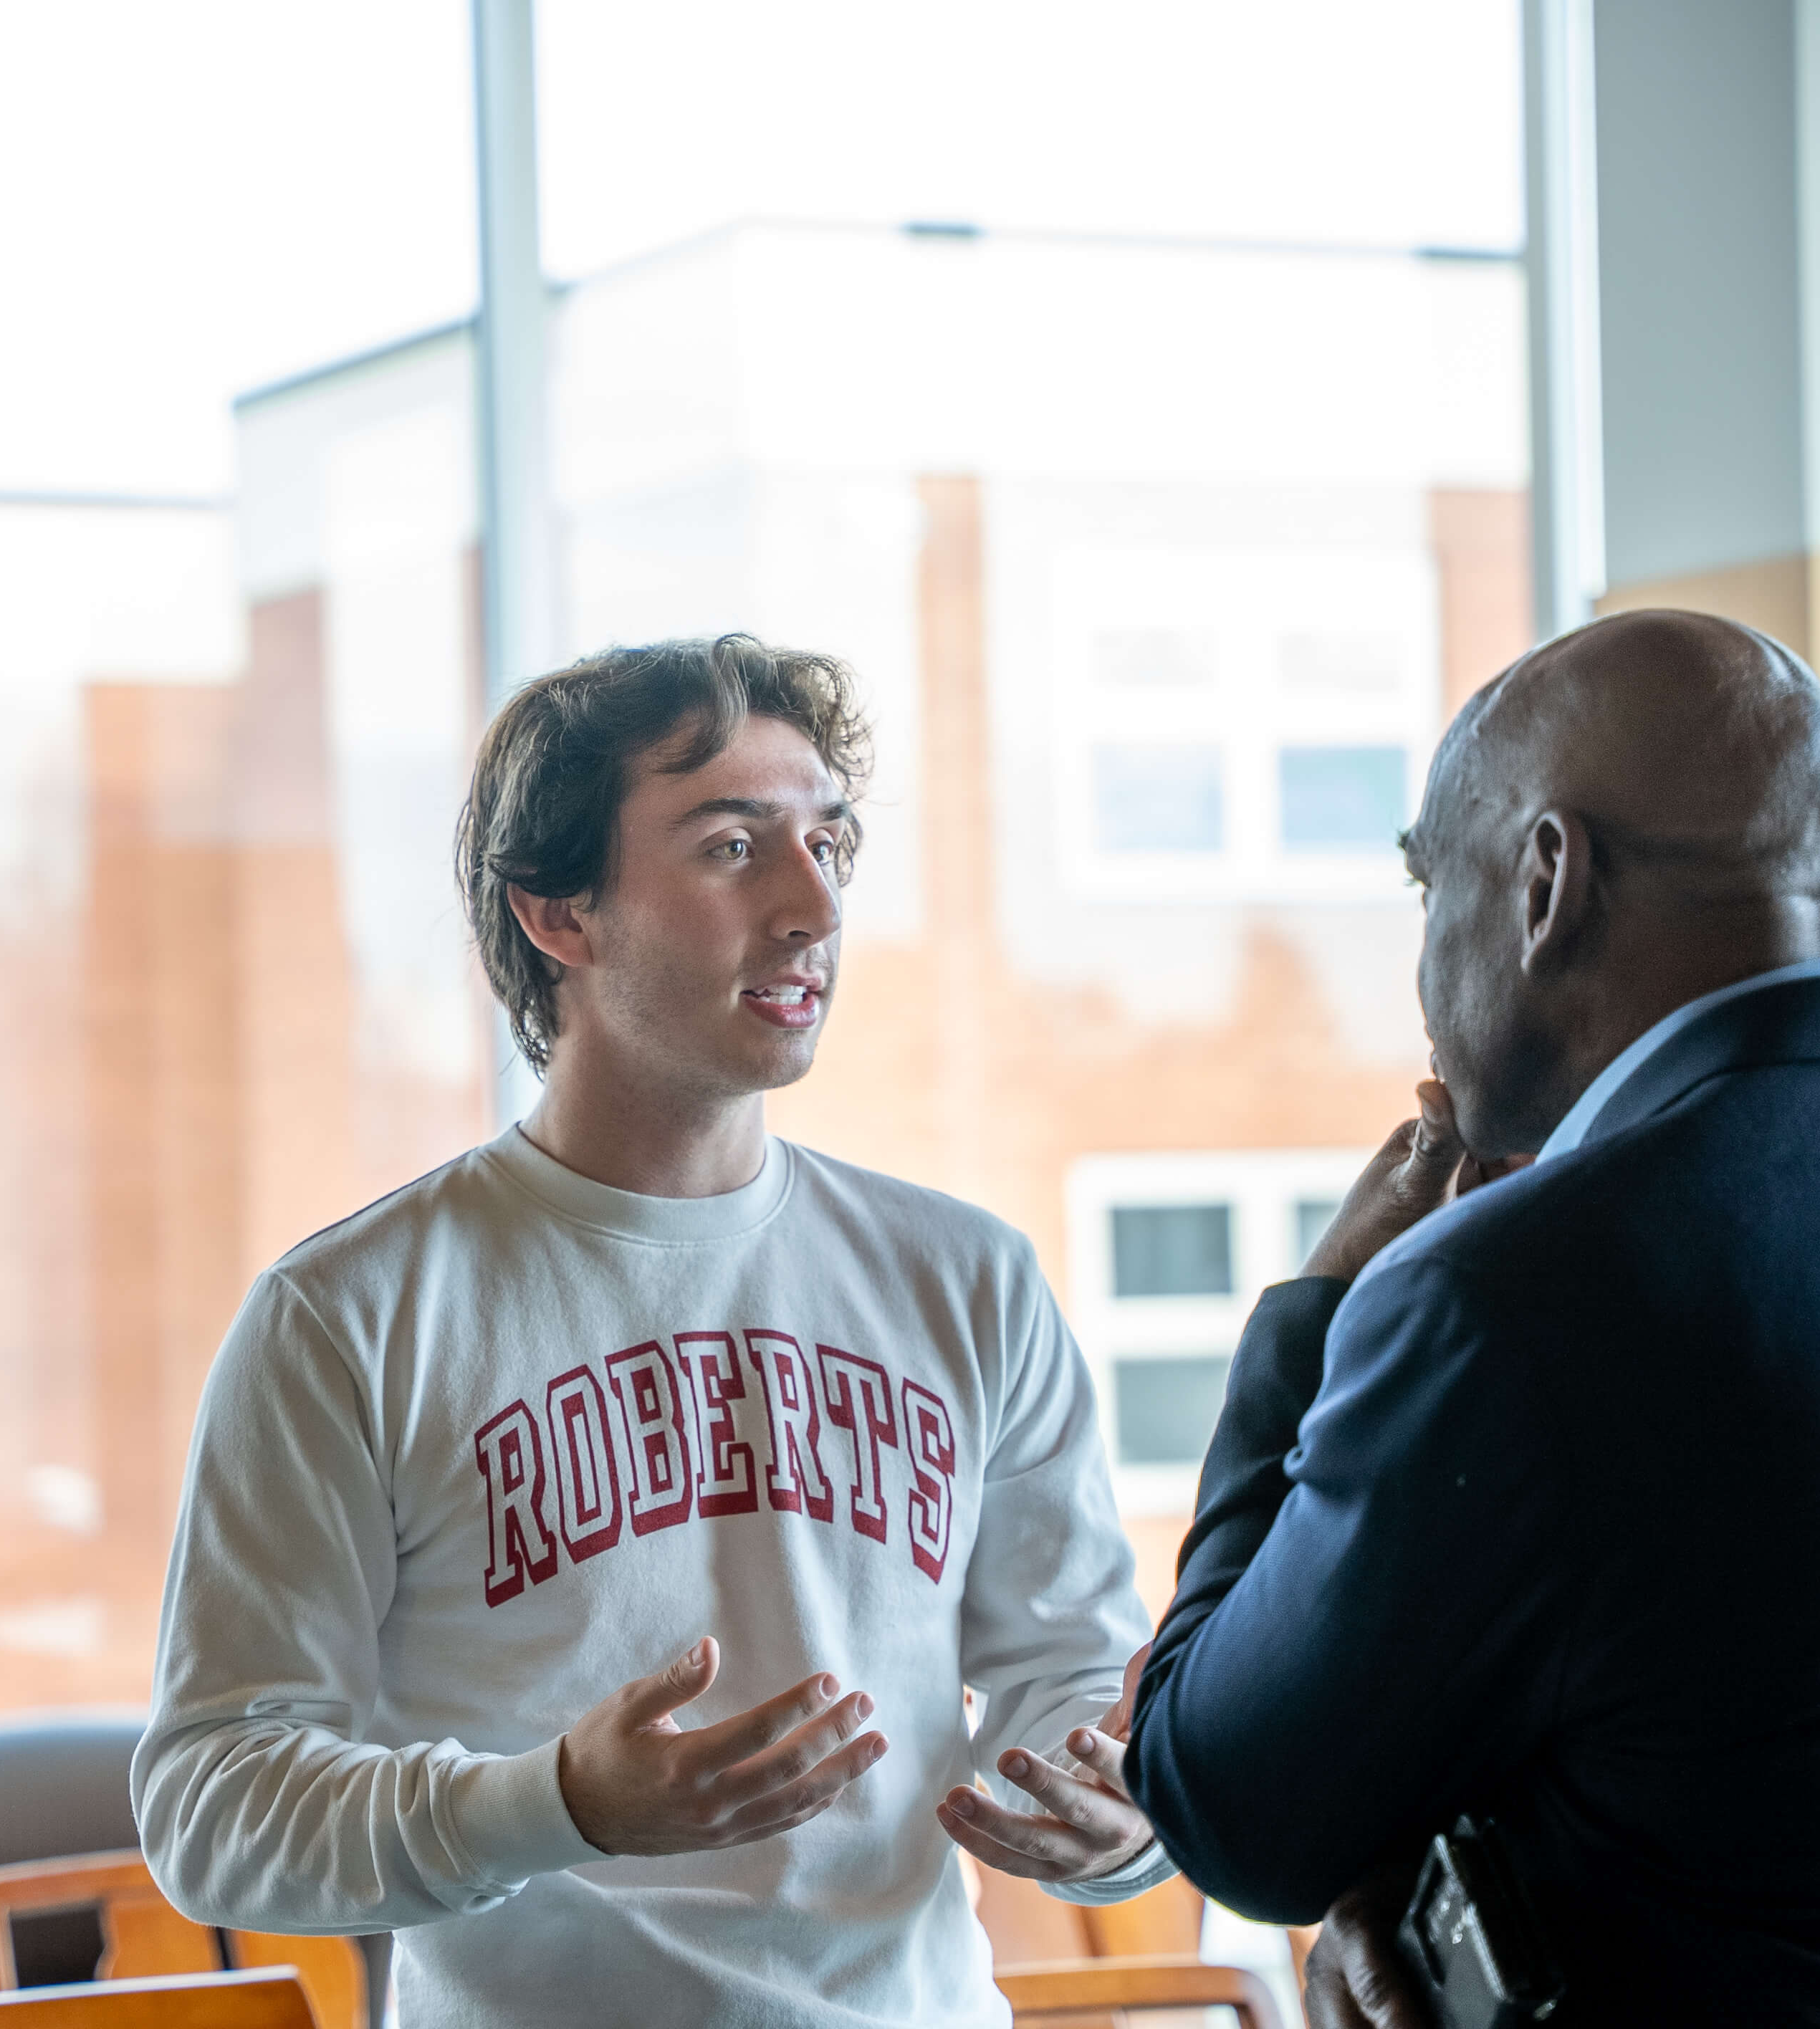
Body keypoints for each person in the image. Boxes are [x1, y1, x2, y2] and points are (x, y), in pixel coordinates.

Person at [133, 635, 1171, 2028]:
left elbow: (1071, 1679)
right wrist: (550, 1805)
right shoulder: (347, 1319)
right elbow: (213, 1804)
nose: (812, 907)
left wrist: (1120, 1827)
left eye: (829, 842)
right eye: (732, 847)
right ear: (558, 915)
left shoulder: (966, 1280)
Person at [1101, 610, 1820, 2024]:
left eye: (1431, 890)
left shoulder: (1505, 1294)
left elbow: (1229, 1809)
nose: (1421, 973)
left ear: (1547, 882)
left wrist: (1310, 1312)